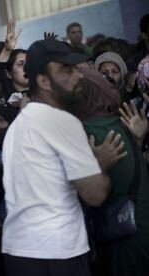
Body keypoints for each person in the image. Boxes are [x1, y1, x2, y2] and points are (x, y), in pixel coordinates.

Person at [1, 39, 125, 276]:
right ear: (43, 81)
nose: (79, 75)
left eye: (77, 68)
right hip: (57, 252)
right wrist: (98, 163)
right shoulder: (62, 122)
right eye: (67, 71)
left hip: (18, 251)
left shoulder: (18, 126)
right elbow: (95, 194)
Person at [69, 68, 149, 276]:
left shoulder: (86, 131)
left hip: (126, 239)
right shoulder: (121, 119)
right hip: (140, 227)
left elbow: (77, 198)